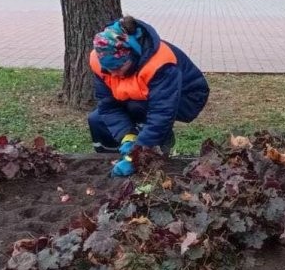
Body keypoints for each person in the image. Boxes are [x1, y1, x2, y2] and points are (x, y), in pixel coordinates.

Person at [88, 16, 209, 176]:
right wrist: (127, 136)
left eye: (118, 67)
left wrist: (137, 153)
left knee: (137, 107)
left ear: (132, 54)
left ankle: (157, 146)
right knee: (96, 119)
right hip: (143, 94)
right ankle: (116, 157)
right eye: (109, 69)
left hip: (187, 97)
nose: (114, 74)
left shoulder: (161, 64)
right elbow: (108, 106)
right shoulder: (102, 61)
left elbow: (162, 112)